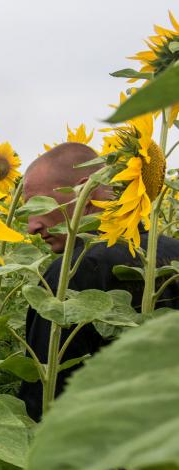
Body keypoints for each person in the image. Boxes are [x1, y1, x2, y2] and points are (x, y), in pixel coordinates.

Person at [19, 142, 179, 420]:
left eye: (37, 205)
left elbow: (45, 400)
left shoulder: (67, 276)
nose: (31, 226)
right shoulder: (174, 254)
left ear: (86, 191)